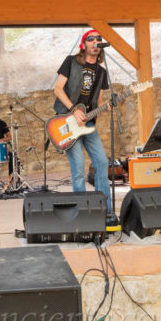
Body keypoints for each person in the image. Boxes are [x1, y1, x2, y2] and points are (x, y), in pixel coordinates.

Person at [53, 29, 112, 214]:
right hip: (69, 120)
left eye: (98, 39)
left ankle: (105, 210)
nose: (96, 42)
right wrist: (73, 110)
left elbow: (99, 100)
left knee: (102, 163)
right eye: (91, 39)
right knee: (78, 168)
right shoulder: (71, 62)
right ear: (84, 44)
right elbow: (58, 89)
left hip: (89, 124)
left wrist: (105, 107)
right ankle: (81, 211)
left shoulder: (102, 72)